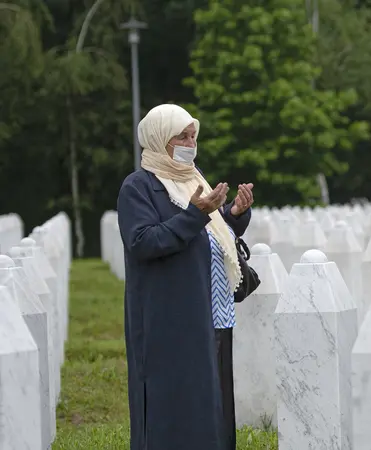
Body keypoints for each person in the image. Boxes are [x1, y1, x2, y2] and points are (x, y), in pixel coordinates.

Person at [117, 104, 254, 450]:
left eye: (193, 136)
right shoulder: (139, 187)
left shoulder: (192, 177)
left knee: (211, 397)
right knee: (175, 401)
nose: (190, 142)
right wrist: (197, 215)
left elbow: (209, 229)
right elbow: (143, 241)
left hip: (209, 309)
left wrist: (232, 214)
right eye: (182, 136)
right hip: (168, 315)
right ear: (159, 138)